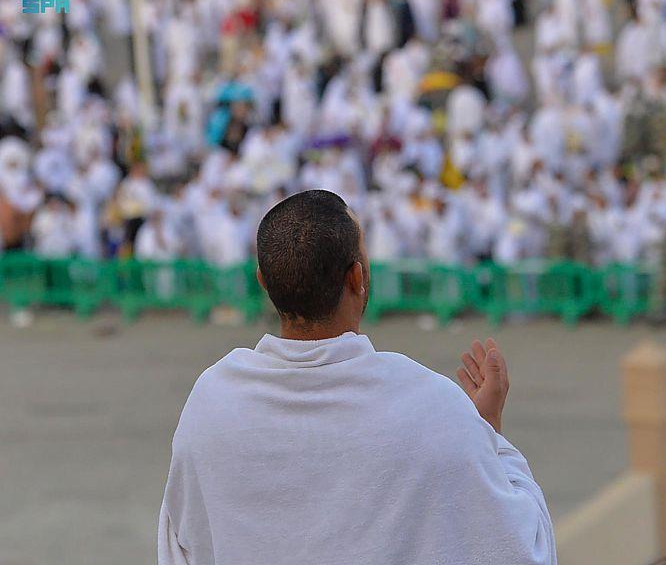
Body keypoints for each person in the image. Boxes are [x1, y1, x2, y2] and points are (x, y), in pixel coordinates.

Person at [158, 190, 556, 565]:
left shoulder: (211, 404)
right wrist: (490, 436)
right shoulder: (432, 406)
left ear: (263, 281)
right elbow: (522, 551)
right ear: (357, 277)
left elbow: (182, 545)